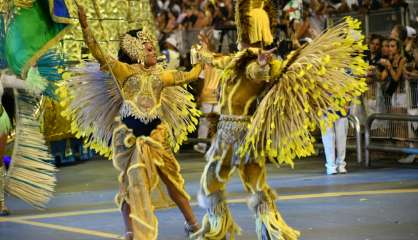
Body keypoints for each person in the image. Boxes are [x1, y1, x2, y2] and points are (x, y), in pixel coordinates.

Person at [189, 0, 368, 239]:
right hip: (248, 135)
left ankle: (216, 229)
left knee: (210, 183)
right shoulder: (240, 59)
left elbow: (255, 72)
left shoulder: (251, 62)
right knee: (256, 185)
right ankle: (272, 230)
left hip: (230, 134)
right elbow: (218, 60)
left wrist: (261, 66)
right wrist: (204, 52)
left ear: (245, 30)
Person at [67, 5, 203, 240]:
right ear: (136, 51)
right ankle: (131, 231)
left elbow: (189, 76)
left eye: (153, 49)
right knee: (129, 184)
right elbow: (98, 51)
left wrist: (202, 58)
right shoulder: (123, 71)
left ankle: (192, 224)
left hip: (157, 137)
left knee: (172, 182)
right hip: (129, 138)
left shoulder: (162, 76)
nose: (154, 52)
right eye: (149, 49)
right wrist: (85, 25)